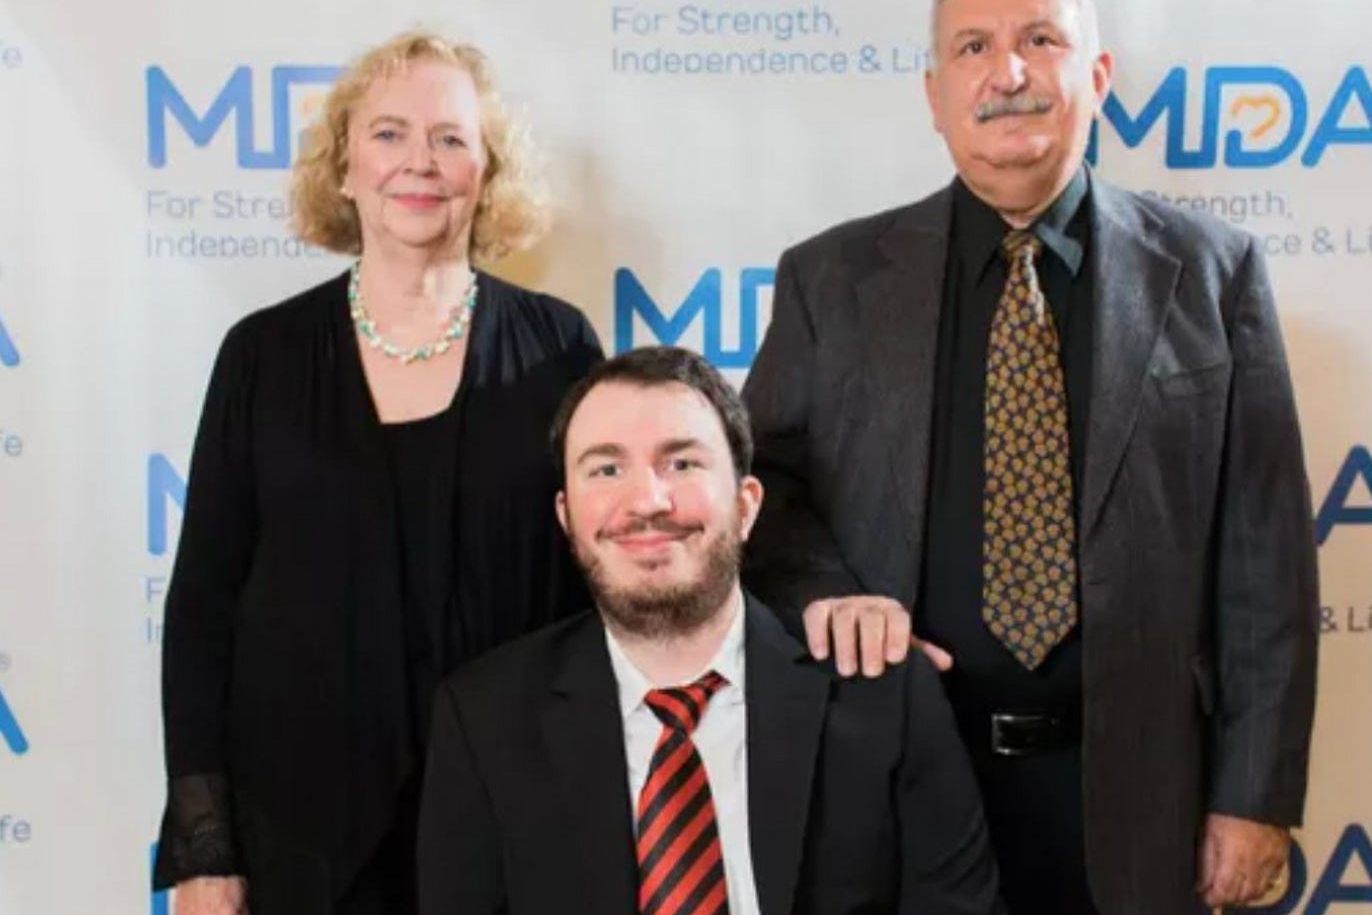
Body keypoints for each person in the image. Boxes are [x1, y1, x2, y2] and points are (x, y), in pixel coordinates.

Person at [741, 0, 1319, 915]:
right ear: (934, 95)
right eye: (972, 47)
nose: (1007, 72)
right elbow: (760, 490)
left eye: (1039, 40)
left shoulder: (1214, 275)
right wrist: (827, 596)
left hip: (1142, 797)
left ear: (1096, 75)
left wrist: (1253, 795)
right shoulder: (828, 281)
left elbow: (1267, 556)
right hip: (901, 781)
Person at [154, 31, 602, 915]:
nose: (418, 162)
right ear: (345, 168)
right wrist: (206, 850)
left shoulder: (560, 349)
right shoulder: (262, 357)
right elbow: (202, 609)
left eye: (450, 137)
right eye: (389, 134)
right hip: (296, 841)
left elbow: (597, 592)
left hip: (512, 830)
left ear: (487, 171)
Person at [416, 346, 1004, 915]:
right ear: (567, 518)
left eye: (682, 463)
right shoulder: (483, 721)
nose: (647, 501)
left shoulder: (884, 695)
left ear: (747, 506)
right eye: (607, 469)